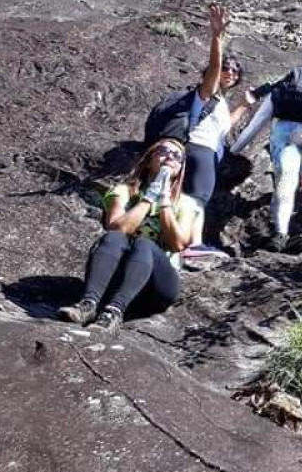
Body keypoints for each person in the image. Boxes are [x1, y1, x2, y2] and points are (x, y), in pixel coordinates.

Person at [58, 139, 199, 332]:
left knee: (144, 244)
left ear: (181, 168)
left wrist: (165, 201)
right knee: (113, 238)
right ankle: (88, 304)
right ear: (149, 160)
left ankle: (114, 312)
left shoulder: (186, 204)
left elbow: (178, 244)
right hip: (118, 278)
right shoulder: (124, 191)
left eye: (177, 156)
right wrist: (149, 197)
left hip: (156, 287)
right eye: (164, 151)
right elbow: (117, 228)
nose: (170, 158)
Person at [229, 67, 302, 251]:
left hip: (285, 134)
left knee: (285, 182)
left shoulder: (279, 94)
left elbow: (255, 126)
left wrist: (233, 151)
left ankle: (280, 234)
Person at [180, 4, 253, 250]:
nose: (230, 72)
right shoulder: (207, 91)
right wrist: (217, 38)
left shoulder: (220, 101)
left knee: (197, 197)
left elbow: (224, 128)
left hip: (208, 150)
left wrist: (243, 105)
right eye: (227, 68)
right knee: (197, 197)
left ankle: (189, 243)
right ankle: (192, 245)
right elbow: (212, 68)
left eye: (235, 70)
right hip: (199, 148)